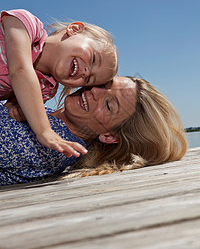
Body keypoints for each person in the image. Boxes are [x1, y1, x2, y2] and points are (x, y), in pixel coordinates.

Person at [0, 76, 187, 185]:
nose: (94, 92)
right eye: (103, 85)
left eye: (108, 105)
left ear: (109, 136)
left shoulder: (53, 146)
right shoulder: (46, 118)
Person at [0, 9, 118, 157]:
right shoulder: (27, 24)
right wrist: (44, 130)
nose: (86, 71)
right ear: (74, 29)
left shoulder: (46, 89)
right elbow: (20, 71)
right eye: (93, 58)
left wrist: (20, 111)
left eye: (88, 79)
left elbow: (11, 106)